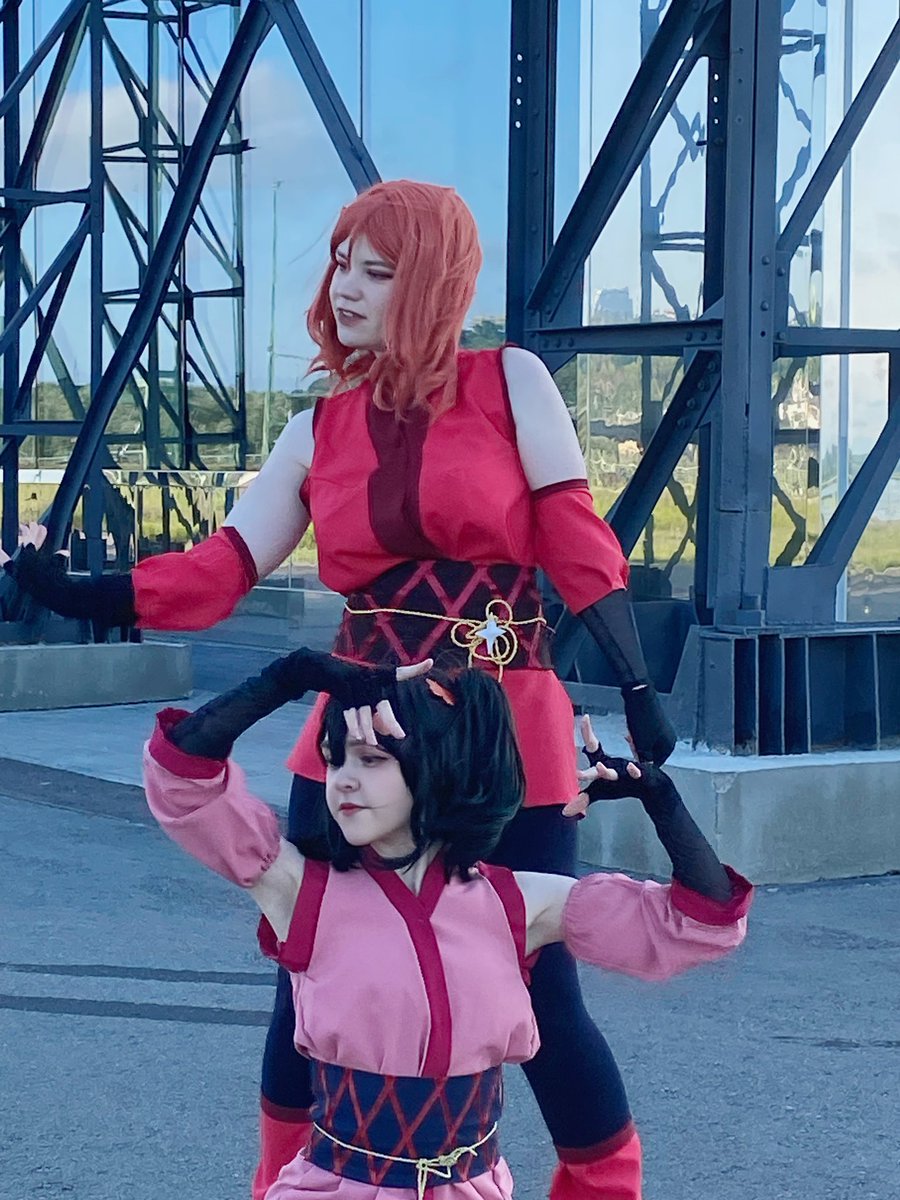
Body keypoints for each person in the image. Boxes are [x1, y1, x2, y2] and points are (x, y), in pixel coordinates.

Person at [3, 179, 679, 1200]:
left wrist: (637, 683)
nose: (345, 289)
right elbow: (221, 569)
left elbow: (575, 535)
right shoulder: (316, 429)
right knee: (311, 971)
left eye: (378, 270)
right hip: (358, 730)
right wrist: (69, 588)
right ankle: (282, 1184)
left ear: (433, 281)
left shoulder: (511, 381)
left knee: (539, 980)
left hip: (505, 734)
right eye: (340, 266)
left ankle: (602, 1188)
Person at [142, 648, 751, 1200]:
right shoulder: (302, 891)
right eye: (334, 760)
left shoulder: (516, 903)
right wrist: (286, 677)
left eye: (371, 759)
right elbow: (181, 780)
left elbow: (698, 925)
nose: (343, 780)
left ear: (436, 765)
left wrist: (663, 802)